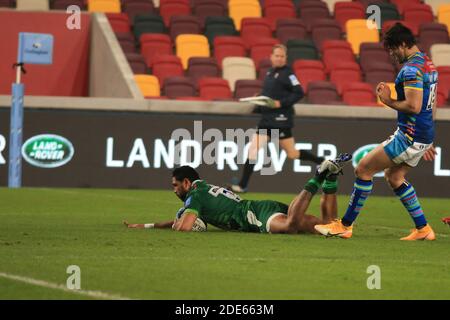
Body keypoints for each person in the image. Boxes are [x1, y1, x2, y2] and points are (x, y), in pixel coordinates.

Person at [315, 23, 438, 241]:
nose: (391, 55)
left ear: (402, 44)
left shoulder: (410, 70)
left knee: (363, 169)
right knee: (395, 176)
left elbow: (414, 106)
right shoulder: (428, 64)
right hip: (422, 135)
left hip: (408, 136)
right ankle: (423, 229)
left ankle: (345, 225)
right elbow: (430, 105)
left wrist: (387, 100)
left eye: (392, 49)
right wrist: (428, 137)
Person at [124, 154, 352, 234]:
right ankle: (330, 179)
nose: (174, 190)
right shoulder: (202, 191)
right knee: (329, 226)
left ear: (186, 182)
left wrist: (178, 225)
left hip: (254, 216)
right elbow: (181, 219)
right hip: (262, 207)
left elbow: (183, 227)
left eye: (175, 186)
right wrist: (147, 226)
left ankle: (318, 175)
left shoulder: (195, 196)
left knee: (290, 226)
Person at [228, 44, 324, 193]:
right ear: (271, 57)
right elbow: (271, 95)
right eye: (276, 56)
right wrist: (259, 100)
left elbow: (299, 93)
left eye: (282, 56)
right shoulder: (270, 72)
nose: (279, 58)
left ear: (286, 58)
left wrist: (281, 103)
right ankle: (242, 185)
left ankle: (321, 161)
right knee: (253, 149)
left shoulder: (288, 74)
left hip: (281, 120)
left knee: (292, 154)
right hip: (267, 119)